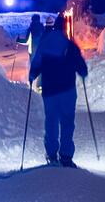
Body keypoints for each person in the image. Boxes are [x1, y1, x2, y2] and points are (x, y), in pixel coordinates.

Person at [30, 17, 88, 167]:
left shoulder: (44, 45)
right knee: (67, 122)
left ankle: (51, 154)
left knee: (51, 121)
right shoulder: (70, 45)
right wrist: (82, 72)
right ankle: (66, 156)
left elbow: (36, 63)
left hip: (49, 90)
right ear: (64, 28)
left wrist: (32, 75)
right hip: (67, 90)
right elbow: (81, 67)